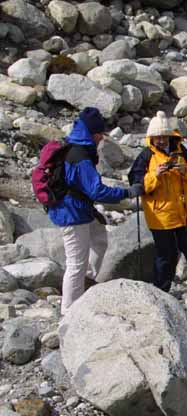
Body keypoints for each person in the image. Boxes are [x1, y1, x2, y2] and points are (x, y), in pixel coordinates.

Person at [47, 107, 143, 315]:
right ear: (92, 133)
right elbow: (97, 191)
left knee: (99, 240)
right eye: (100, 133)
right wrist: (126, 193)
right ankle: (68, 311)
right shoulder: (80, 156)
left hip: (79, 209)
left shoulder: (74, 148)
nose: (102, 138)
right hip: (72, 214)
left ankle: (87, 281)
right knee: (76, 263)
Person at [128, 111, 187, 292]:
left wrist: (185, 169)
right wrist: (155, 175)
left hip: (185, 212)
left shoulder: (181, 150)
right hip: (161, 216)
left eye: (163, 137)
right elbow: (136, 183)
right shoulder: (146, 156)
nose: (160, 141)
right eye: (157, 137)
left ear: (168, 135)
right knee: (166, 254)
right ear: (151, 138)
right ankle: (161, 290)